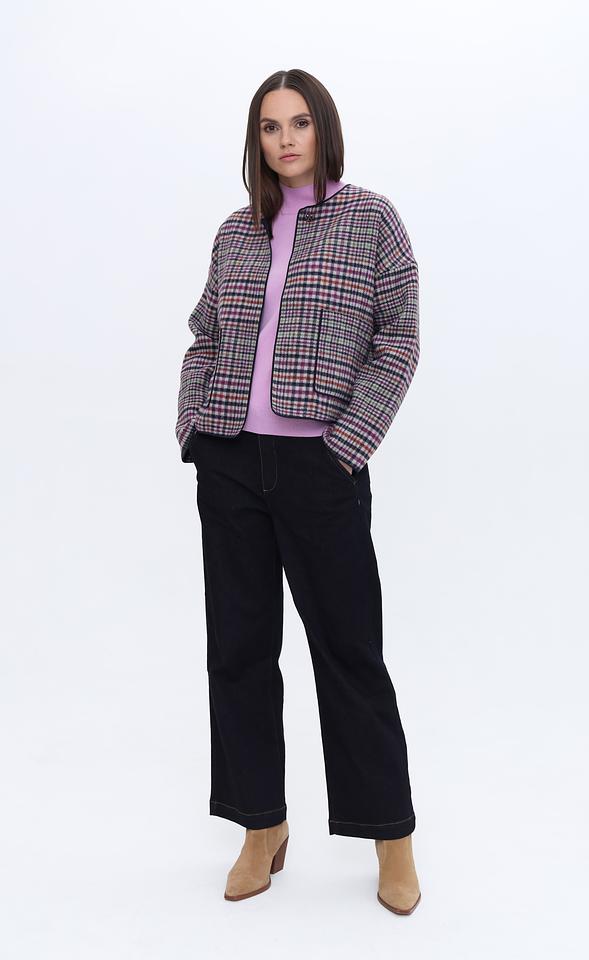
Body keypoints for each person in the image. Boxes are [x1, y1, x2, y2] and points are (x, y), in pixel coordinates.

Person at [175, 68, 421, 915]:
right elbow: (204, 336)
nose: (286, 139)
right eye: (271, 126)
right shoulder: (237, 230)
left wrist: (345, 447)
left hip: (320, 467)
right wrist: (196, 429)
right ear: (258, 139)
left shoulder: (370, 219)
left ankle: (392, 837)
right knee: (240, 651)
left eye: (300, 123)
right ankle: (260, 826)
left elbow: (399, 340)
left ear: (325, 129)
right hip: (230, 465)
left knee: (349, 653)